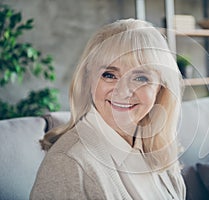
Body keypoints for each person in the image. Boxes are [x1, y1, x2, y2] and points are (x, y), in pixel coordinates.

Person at [30, 18, 186, 200]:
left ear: (160, 87)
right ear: (88, 80)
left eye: (141, 78)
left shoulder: (157, 151)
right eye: (109, 75)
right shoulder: (68, 163)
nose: (123, 91)